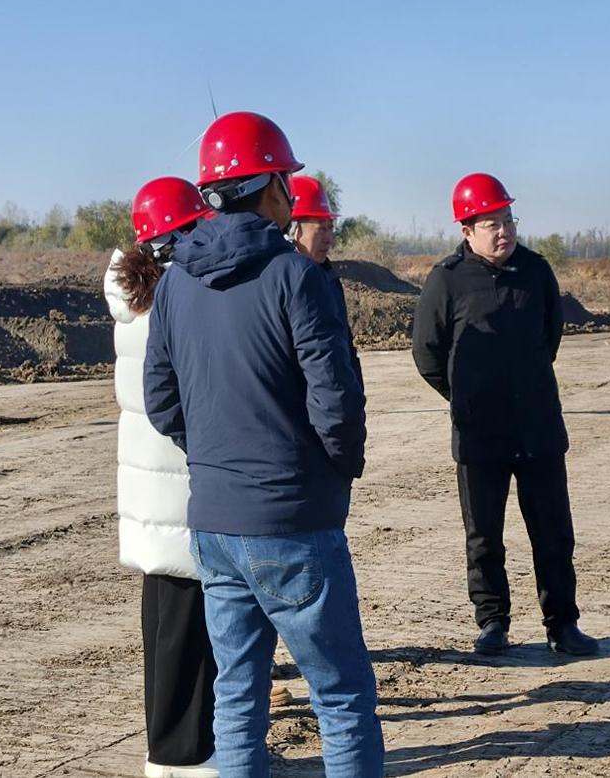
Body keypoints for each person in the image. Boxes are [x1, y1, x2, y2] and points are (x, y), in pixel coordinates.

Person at [144, 111, 382, 778]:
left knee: (237, 694)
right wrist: (335, 471)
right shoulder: (296, 277)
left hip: (214, 525)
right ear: (270, 185)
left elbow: (162, 401)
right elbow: (336, 401)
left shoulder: (176, 283)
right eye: (286, 179)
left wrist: (214, 457)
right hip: (292, 522)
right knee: (341, 696)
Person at [411, 172, 598, 657]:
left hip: (538, 428)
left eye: (509, 220)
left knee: (553, 533)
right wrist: (465, 396)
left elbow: (550, 337)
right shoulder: (447, 279)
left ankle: (563, 624)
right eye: (492, 223)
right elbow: (427, 353)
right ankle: (492, 622)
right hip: (479, 434)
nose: (504, 231)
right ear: (466, 230)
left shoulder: (536, 271)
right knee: (484, 537)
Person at [106, 177, 217, 778]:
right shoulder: (177, 299)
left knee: (166, 627)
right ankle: (185, 758)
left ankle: (173, 753)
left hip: (153, 488)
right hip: (178, 481)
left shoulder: (136, 298)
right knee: (188, 634)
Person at [287, 174, 362, 387]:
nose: (329, 239)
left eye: (331, 227)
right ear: (292, 230)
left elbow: (345, 348)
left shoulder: (329, 279)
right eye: (321, 228)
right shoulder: (281, 285)